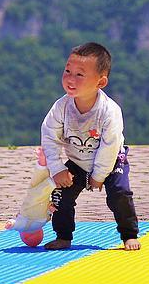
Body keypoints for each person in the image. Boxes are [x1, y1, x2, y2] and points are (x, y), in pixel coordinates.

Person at [40, 42, 140, 251]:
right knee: (61, 194)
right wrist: (58, 169)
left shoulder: (109, 111)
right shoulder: (61, 107)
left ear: (100, 82)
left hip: (111, 161)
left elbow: (109, 147)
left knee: (119, 192)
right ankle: (63, 236)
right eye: (68, 71)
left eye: (79, 74)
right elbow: (49, 137)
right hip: (77, 161)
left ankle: (129, 234)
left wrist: (99, 175)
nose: (70, 78)